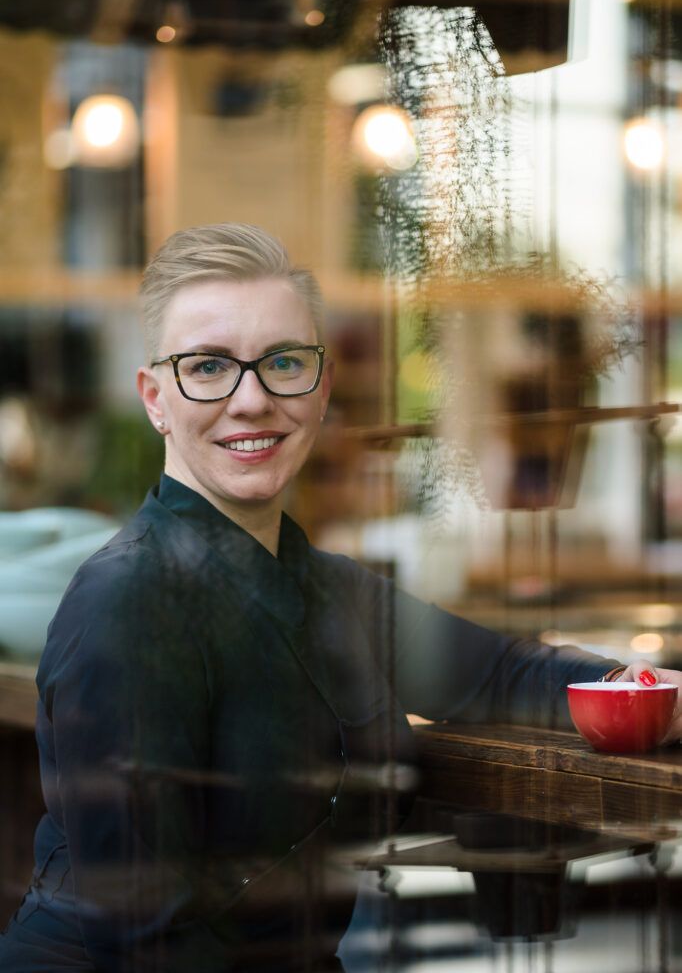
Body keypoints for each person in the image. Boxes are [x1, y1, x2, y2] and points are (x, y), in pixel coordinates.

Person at [1, 223, 681, 973]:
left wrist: (647, 693)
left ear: (321, 390)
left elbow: (503, 678)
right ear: (155, 398)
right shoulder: (129, 607)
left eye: (283, 362)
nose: (252, 399)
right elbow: (146, 944)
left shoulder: (321, 587)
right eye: (209, 366)